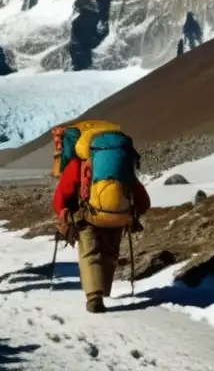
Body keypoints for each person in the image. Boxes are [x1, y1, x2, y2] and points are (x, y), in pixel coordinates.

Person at [53, 132, 151, 313]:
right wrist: (133, 213)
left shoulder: (78, 165)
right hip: (118, 217)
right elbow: (142, 198)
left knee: (90, 254)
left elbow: (61, 195)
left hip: (88, 215)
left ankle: (94, 297)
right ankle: (105, 291)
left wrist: (63, 213)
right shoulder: (122, 168)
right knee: (109, 254)